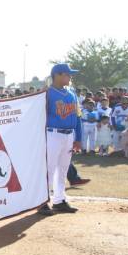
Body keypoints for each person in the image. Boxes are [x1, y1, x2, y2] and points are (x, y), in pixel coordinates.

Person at [38, 63, 82, 216]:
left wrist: (79, 138)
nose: (70, 76)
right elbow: (38, 117)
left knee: (62, 169)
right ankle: (42, 201)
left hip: (69, 135)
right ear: (57, 75)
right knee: (49, 168)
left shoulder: (72, 93)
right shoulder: (47, 94)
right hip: (52, 134)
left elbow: (78, 116)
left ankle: (59, 200)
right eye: (67, 74)